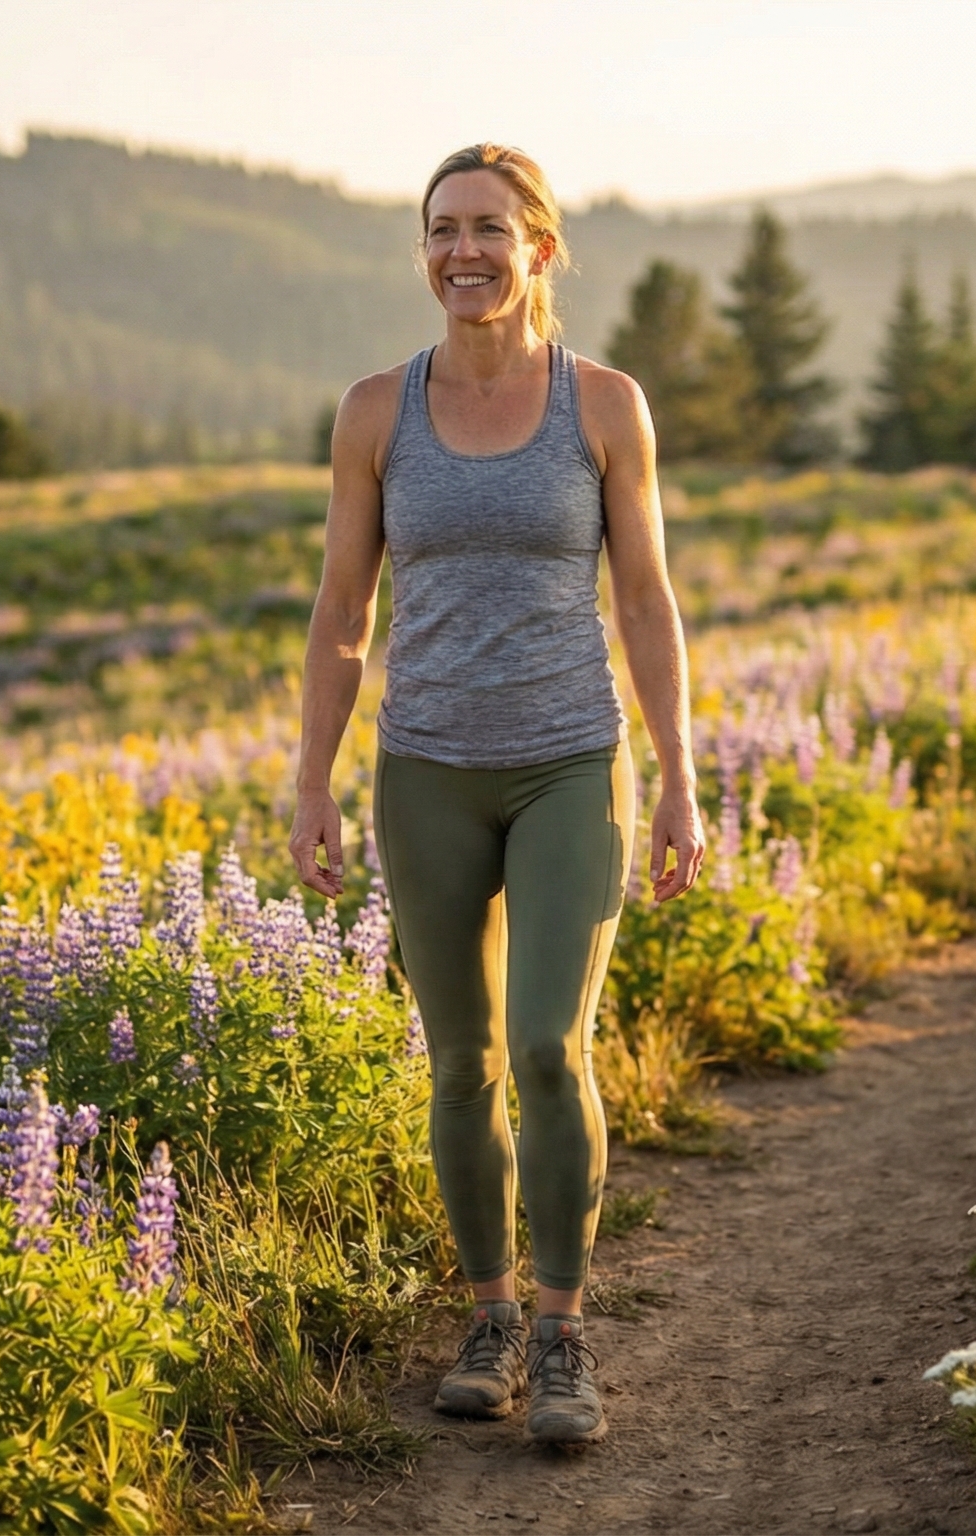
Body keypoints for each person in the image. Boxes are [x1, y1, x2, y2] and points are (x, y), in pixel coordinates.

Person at [289, 142, 705, 1448]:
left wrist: (681, 777)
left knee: (546, 1046)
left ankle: (568, 1332)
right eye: (440, 230)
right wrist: (312, 782)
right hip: (425, 774)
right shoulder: (374, 412)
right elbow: (342, 618)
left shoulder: (603, 405)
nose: (462, 251)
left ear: (539, 247)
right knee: (460, 1062)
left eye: (487, 228)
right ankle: (491, 1315)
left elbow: (644, 599)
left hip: (571, 761)